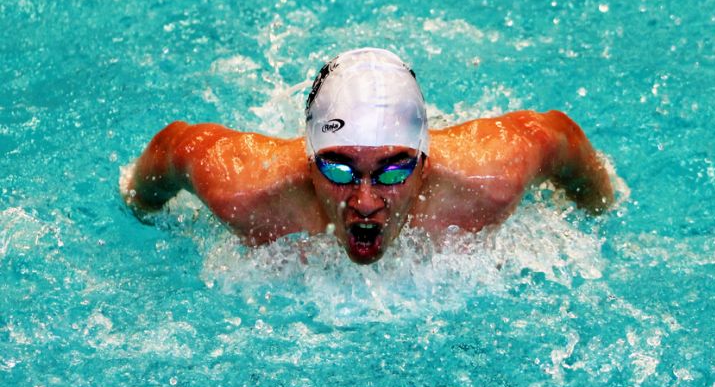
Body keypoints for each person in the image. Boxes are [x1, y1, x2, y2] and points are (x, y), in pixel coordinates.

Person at [121, 48, 614, 264]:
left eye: (393, 169)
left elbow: (558, 136)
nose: (365, 200)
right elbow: (174, 148)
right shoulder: (245, 190)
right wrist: (137, 209)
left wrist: (599, 210)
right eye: (338, 167)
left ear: (425, 161)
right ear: (307, 160)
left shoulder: (489, 178)